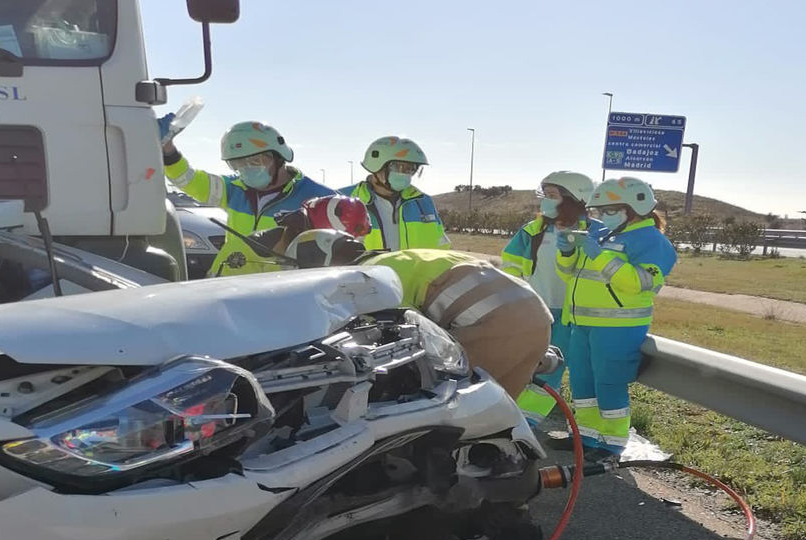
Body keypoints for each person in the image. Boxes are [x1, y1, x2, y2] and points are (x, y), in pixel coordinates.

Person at [284, 230, 551, 397]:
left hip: (495, 322)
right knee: (497, 410)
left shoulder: (368, 278)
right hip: (537, 316)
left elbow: (401, 335)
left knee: (444, 406)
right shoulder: (398, 259)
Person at [556, 177, 677, 461]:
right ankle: (585, 438)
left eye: (609, 210)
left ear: (633, 208)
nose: (602, 216)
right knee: (583, 384)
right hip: (583, 323)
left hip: (618, 327)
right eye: (599, 211)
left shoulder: (653, 242)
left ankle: (611, 445)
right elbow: (569, 274)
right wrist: (567, 251)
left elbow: (638, 283)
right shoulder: (606, 236)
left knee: (609, 384)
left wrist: (599, 257)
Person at [161, 120, 332, 277]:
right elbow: (189, 180)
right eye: (238, 163)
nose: (246, 168)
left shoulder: (319, 198)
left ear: (278, 157)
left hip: (281, 291)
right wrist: (168, 150)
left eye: (255, 160)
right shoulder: (233, 189)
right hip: (229, 286)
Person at [501, 171, 599, 425]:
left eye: (552, 195)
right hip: (535, 310)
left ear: (574, 199)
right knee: (525, 363)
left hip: (572, 315)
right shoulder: (533, 231)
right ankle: (510, 413)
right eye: (544, 194)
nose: (545, 200)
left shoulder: (595, 233)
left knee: (552, 369)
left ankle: (526, 420)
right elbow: (510, 264)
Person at [340, 137, 449, 252]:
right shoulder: (344, 200)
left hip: (415, 270)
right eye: (400, 167)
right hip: (367, 270)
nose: (407, 174)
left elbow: (441, 248)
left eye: (412, 169)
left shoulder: (423, 202)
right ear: (377, 165)